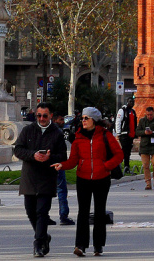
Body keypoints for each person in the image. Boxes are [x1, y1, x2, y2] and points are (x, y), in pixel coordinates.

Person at [54, 107, 122, 258]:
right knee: (82, 213)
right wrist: (62, 165)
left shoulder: (105, 135)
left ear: (94, 120)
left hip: (102, 179)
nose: (83, 121)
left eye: (86, 118)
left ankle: (98, 246)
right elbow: (73, 160)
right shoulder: (78, 137)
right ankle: (80, 245)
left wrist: (106, 166)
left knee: (99, 212)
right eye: (82, 118)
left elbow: (119, 155)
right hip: (83, 178)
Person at [13, 102, 69, 258]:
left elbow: (63, 156)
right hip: (29, 177)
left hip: (47, 178)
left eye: (45, 115)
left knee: (42, 212)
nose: (42, 118)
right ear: (35, 115)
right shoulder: (28, 130)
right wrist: (33, 155)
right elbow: (18, 149)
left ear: (50, 115)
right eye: (39, 115)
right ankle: (44, 236)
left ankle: (38, 244)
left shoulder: (57, 133)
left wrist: (50, 157)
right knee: (30, 212)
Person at [135, 105, 154, 190]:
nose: (149, 116)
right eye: (148, 115)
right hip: (144, 146)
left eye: (151, 114)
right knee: (145, 165)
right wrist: (144, 132)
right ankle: (148, 183)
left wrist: (152, 133)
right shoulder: (142, 121)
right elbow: (137, 132)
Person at [114, 100, 136, 172]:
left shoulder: (133, 112)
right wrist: (118, 133)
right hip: (124, 134)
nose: (132, 103)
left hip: (131, 135)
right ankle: (117, 166)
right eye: (130, 102)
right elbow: (118, 121)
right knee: (124, 151)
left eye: (133, 102)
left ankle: (126, 166)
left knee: (128, 152)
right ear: (127, 102)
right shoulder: (123, 110)